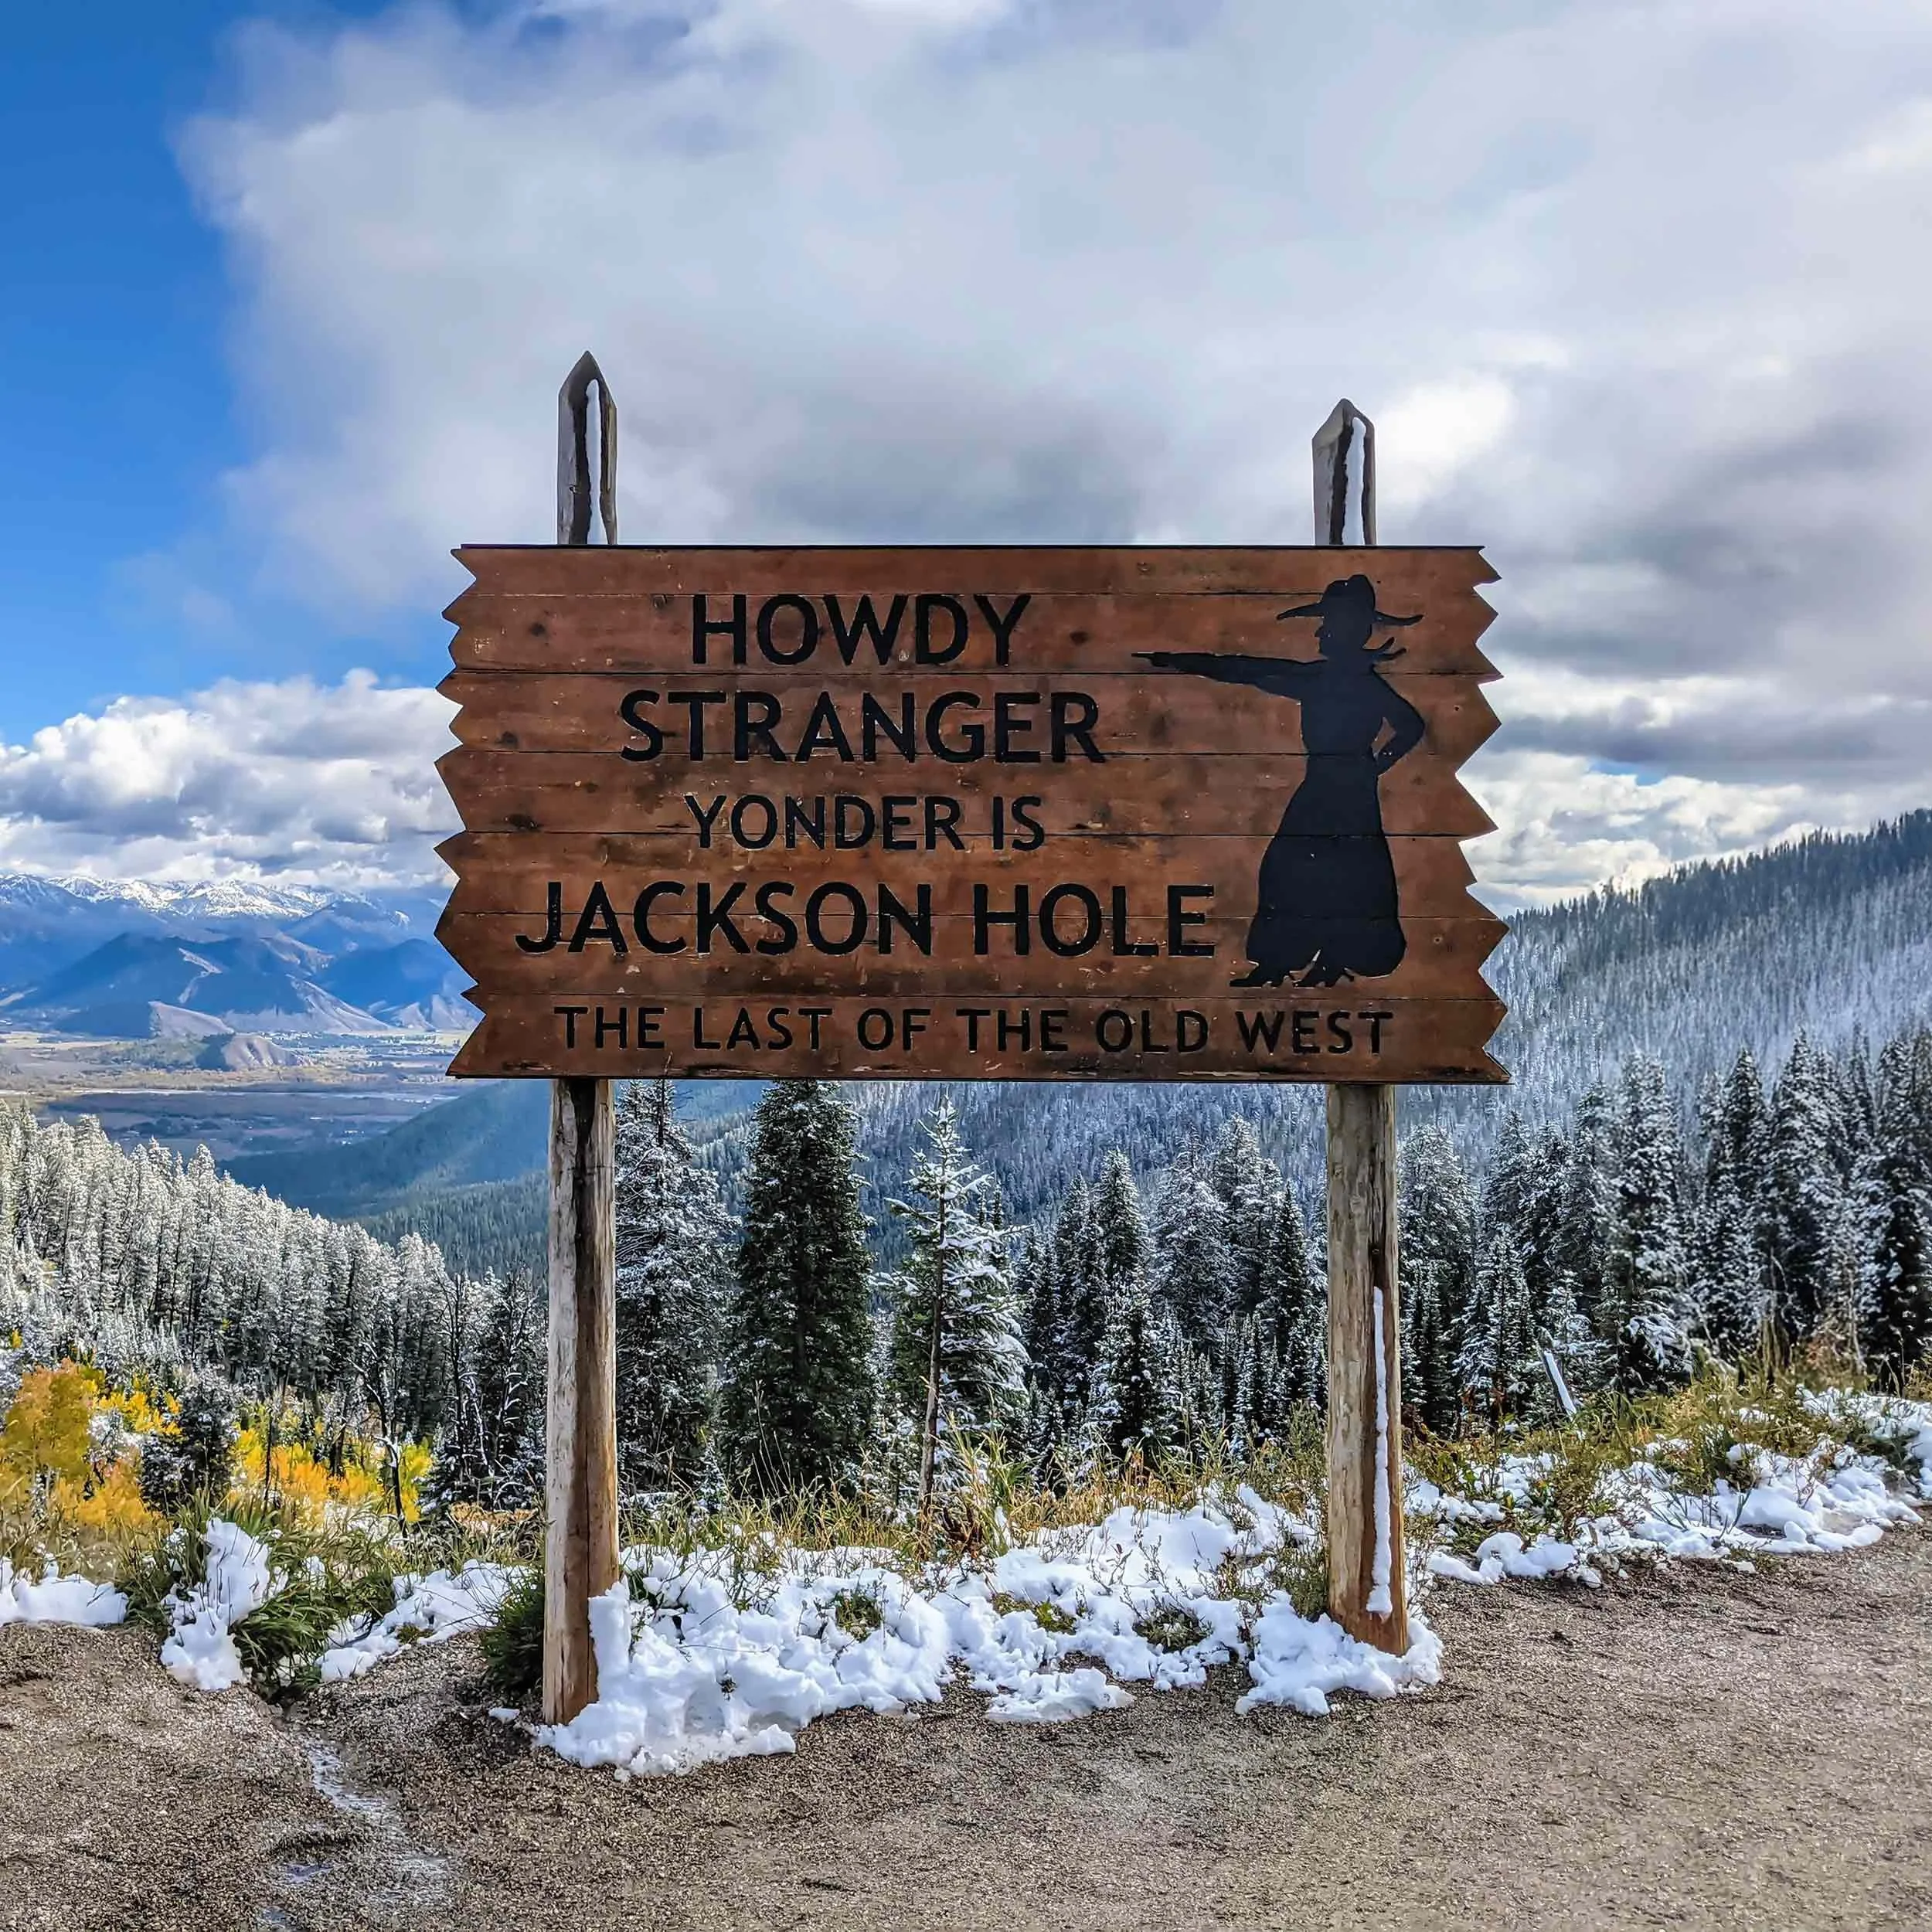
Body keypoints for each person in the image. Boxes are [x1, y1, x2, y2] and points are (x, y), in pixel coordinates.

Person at [1138, 574, 1424, 988]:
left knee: (1322, 870)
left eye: (1329, 624)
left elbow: (1410, 725)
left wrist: (1376, 765)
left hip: (1344, 786)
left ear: (1352, 630)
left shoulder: (1348, 683)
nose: (1320, 632)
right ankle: (1291, 961)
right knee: (1312, 869)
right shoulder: (1334, 680)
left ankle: (1315, 959)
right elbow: (1248, 670)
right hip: (1334, 782)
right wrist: (1182, 661)